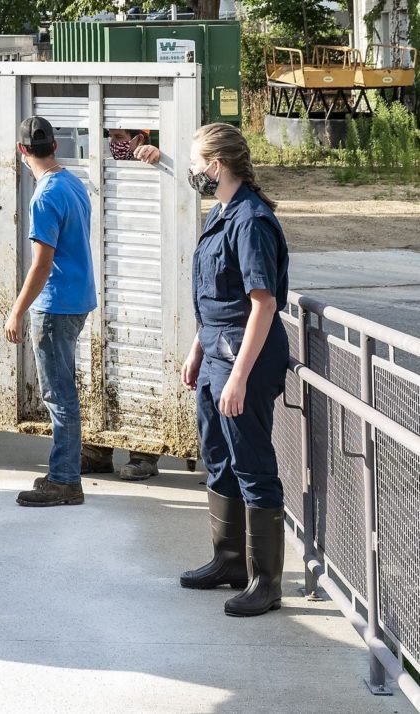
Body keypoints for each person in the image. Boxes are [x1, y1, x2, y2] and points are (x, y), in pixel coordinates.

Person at [177, 123, 290, 617]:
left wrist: (240, 377)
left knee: (252, 465)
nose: (194, 170)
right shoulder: (221, 212)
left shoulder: (251, 221)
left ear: (217, 166)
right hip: (216, 355)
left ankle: (266, 582)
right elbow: (213, 298)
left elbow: (261, 305)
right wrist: (197, 350)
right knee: (218, 456)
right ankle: (229, 562)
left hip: (244, 359)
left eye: (197, 161)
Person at [4, 116, 96, 507]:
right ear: (55, 147)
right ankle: (64, 472)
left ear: (22, 152)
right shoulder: (72, 183)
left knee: (58, 394)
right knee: (62, 390)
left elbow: (42, 264)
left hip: (54, 306)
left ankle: (64, 480)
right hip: (77, 300)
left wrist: (16, 311)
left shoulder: (43, 197)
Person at [82, 128, 165, 481]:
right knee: (96, 360)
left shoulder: (157, 156)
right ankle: (95, 449)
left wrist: (157, 158)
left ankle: (143, 452)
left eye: (123, 135)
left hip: (144, 268)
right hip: (103, 264)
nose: (117, 141)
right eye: (111, 134)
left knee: (140, 361)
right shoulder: (96, 156)